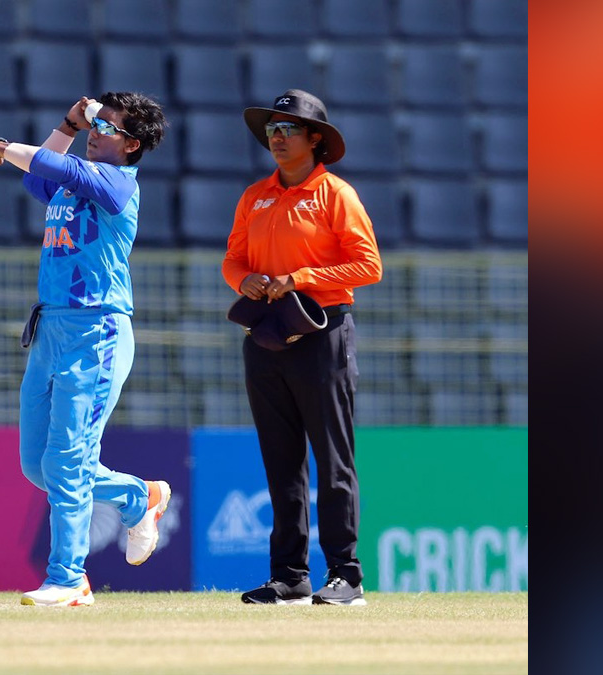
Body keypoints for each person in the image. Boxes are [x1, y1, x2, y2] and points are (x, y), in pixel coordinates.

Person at [0, 92, 170, 607]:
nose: (96, 130)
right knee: (38, 466)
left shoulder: (118, 182)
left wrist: (3, 144)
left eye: (107, 125)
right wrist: (68, 122)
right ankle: (136, 496)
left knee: (67, 460)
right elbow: (37, 179)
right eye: (96, 123)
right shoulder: (76, 170)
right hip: (51, 328)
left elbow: (46, 163)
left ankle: (68, 579)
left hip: (96, 330)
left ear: (133, 144)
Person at [222, 89, 383, 606]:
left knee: (333, 459)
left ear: (316, 138)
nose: (278, 135)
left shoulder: (336, 194)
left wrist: (301, 277)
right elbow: (233, 260)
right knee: (281, 461)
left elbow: (368, 266)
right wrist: (243, 281)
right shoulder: (255, 195)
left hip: (323, 332)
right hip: (267, 333)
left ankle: (346, 576)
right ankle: (290, 576)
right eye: (273, 128)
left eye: (289, 127)